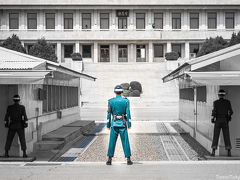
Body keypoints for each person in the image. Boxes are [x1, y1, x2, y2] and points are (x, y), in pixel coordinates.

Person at [106, 85, 133, 165]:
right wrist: (129, 124)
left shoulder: (111, 101)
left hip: (114, 124)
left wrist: (108, 124)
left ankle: (109, 159)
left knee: (112, 142)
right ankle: (128, 159)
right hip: (123, 124)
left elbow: (108, 114)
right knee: (125, 141)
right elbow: (128, 113)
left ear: (115, 92)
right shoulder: (126, 101)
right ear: (122, 92)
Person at [211, 89, 233, 157]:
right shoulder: (228, 102)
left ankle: (213, 151)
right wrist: (228, 117)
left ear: (218, 95)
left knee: (216, 135)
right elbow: (231, 112)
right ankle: (229, 151)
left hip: (218, 120)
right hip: (225, 120)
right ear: (224, 95)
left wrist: (213, 118)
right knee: (226, 135)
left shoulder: (215, 102)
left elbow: (214, 112)